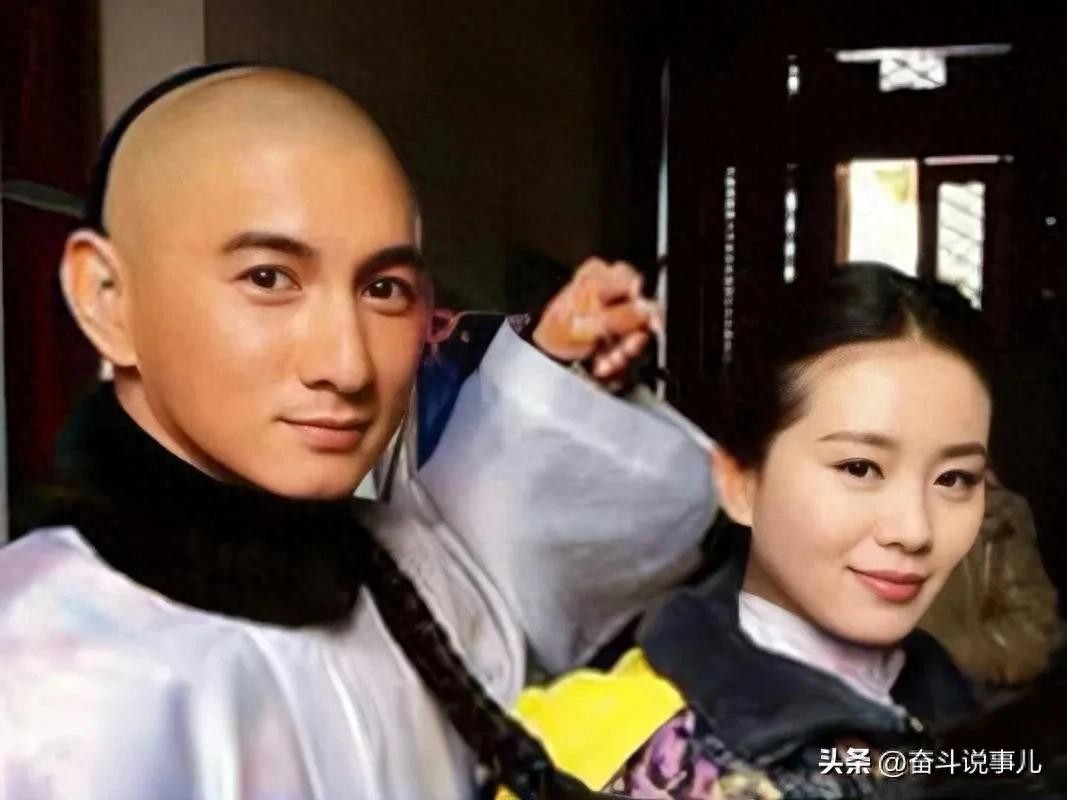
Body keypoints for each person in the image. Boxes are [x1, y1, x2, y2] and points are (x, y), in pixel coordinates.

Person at [0, 64, 714, 800]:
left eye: (384, 289)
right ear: (106, 298)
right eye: (269, 278)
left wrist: (561, 376)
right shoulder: (40, 674)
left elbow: (506, 581)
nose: (346, 365)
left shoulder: (393, 576)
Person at [505, 263, 999, 799]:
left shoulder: (966, 720)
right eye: (859, 468)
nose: (915, 529)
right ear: (740, 482)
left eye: (955, 478)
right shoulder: (604, 749)